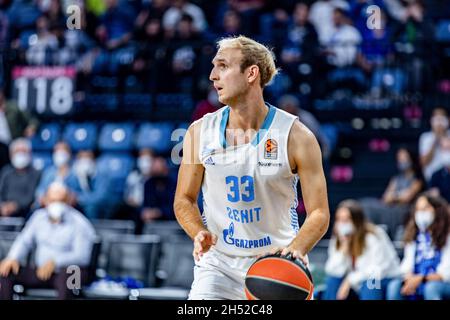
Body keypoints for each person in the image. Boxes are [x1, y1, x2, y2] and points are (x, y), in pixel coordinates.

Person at [174, 35, 330, 300]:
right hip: (218, 266)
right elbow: (184, 200)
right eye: (213, 66)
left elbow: (319, 213)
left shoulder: (296, 136)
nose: (212, 76)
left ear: (251, 73)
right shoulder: (199, 132)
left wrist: (295, 249)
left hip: (276, 264)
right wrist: (198, 232)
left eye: (222, 66)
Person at [0, 182, 96, 300]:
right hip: (41, 270)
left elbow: (82, 257)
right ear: (44, 200)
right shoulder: (38, 217)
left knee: (70, 276)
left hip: (73, 273)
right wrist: (12, 257)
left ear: (69, 201)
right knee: (6, 271)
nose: (56, 204)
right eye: (52, 200)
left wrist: (55, 262)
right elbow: (24, 241)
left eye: (61, 200)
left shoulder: (80, 223)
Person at [323, 200, 400, 300]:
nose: (342, 224)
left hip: (384, 279)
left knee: (371, 284)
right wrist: (343, 248)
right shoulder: (339, 239)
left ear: (357, 221)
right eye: (339, 220)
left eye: (346, 220)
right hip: (357, 283)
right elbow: (332, 270)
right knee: (333, 280)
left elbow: (376, 270)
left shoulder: (373, 235)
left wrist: (350, 280)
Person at [387, 193, 450, 300]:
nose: (421, 213)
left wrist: (421, 279)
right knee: (394, 286)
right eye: (418, 209)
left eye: (425, 208)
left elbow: (446, 273)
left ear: (437, 210)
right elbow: (406, 265)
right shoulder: (414, 235)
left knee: (431, 288)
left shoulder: (447, 234)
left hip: (441, 283)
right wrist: (409, 278)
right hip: (416, 280)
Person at [359, 147, 424, 238]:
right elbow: (386, 198)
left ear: (411, 159)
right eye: (399, 158)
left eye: (404, 158)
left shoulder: (417, 180)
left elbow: (406, 198)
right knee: (364, 204)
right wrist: (397, 197)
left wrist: (394, 197)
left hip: (404, 210)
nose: (402, 161)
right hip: (390, 207)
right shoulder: (396, 179)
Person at [0, 138, 41, 218]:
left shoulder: (35, 173)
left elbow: (31, 196)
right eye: (17, 151)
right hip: (4, 210)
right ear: (11, 154)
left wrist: (15, 206)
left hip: (25, 212)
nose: (20, 154)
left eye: (23, 151)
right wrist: (2, 206)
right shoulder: (6, 172)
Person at [419, 107, 450, 182]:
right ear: (431, 121)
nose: (439, 122)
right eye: (436, 118)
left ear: (448, 120)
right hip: (433, 181)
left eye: (442, 118)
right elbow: (423, 162)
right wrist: (436, 140)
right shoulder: (425, 137)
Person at [429, 136, 450, 203]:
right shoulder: (436, 175)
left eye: (449, 148)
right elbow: (434, 199)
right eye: (444, 149)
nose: (447, 152)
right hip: (443, 211)